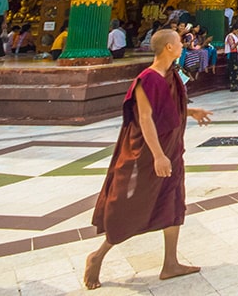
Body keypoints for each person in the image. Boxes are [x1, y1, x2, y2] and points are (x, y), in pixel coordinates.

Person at [85, 28, 212, 290]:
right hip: (149, 153)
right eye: (179, 42)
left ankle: (170, 263)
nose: (182, 45)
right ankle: (98, 256)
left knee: (174, 200)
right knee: (133, 203)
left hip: (172, 149)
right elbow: (145, 119)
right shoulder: (146, 79)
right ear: (168, 47)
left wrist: (191, 111)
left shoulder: (171, 75)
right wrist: (158, 156)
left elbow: (168, 108)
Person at [223, 22, 238, 92]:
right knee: (234, 70)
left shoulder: (236, 35)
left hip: (237, 54)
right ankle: (234, 85)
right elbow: (232, 46)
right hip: (233, 55)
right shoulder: (230, 36)